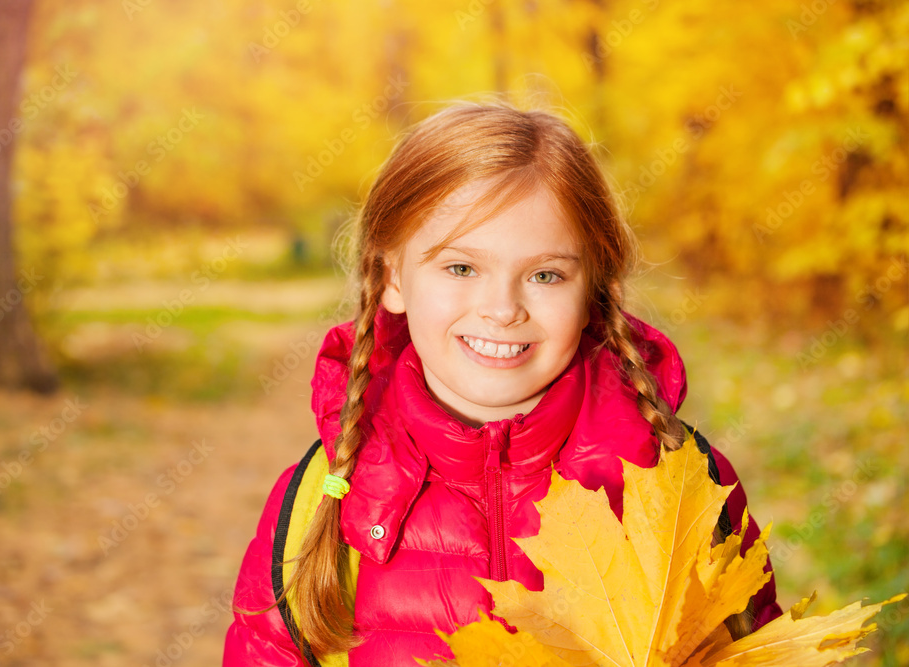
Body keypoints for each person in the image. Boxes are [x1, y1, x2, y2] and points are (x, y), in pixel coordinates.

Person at [222, 101, 782, 666]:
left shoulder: (674, 481)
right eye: (461, 268)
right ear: (392, 277)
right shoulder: (322, 497)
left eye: (545, 275)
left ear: (592, 288)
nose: (502, 309)